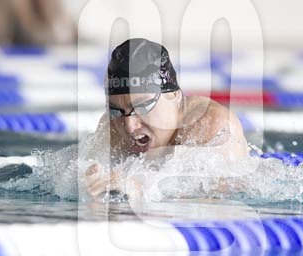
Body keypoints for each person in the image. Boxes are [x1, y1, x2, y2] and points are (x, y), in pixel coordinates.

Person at [84, 38, 250, 199]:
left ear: (174, 96)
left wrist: (141, 187)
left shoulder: (212, 123)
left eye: (142, 107)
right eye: (116, 110)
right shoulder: (113, 124)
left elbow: (223, 189)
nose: (129, 126)